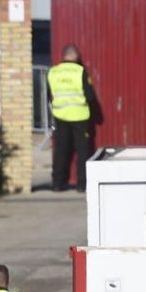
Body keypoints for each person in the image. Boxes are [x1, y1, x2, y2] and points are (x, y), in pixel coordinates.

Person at [47, 43, 101, 191]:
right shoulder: (80, 71)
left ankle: (58, 183)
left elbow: (49, 96)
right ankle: (82, 185)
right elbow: (89, 96)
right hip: (79, 117)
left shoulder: (53, 72)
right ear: (75, 56)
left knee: (61, 150)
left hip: (60, 116)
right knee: (82, 151)